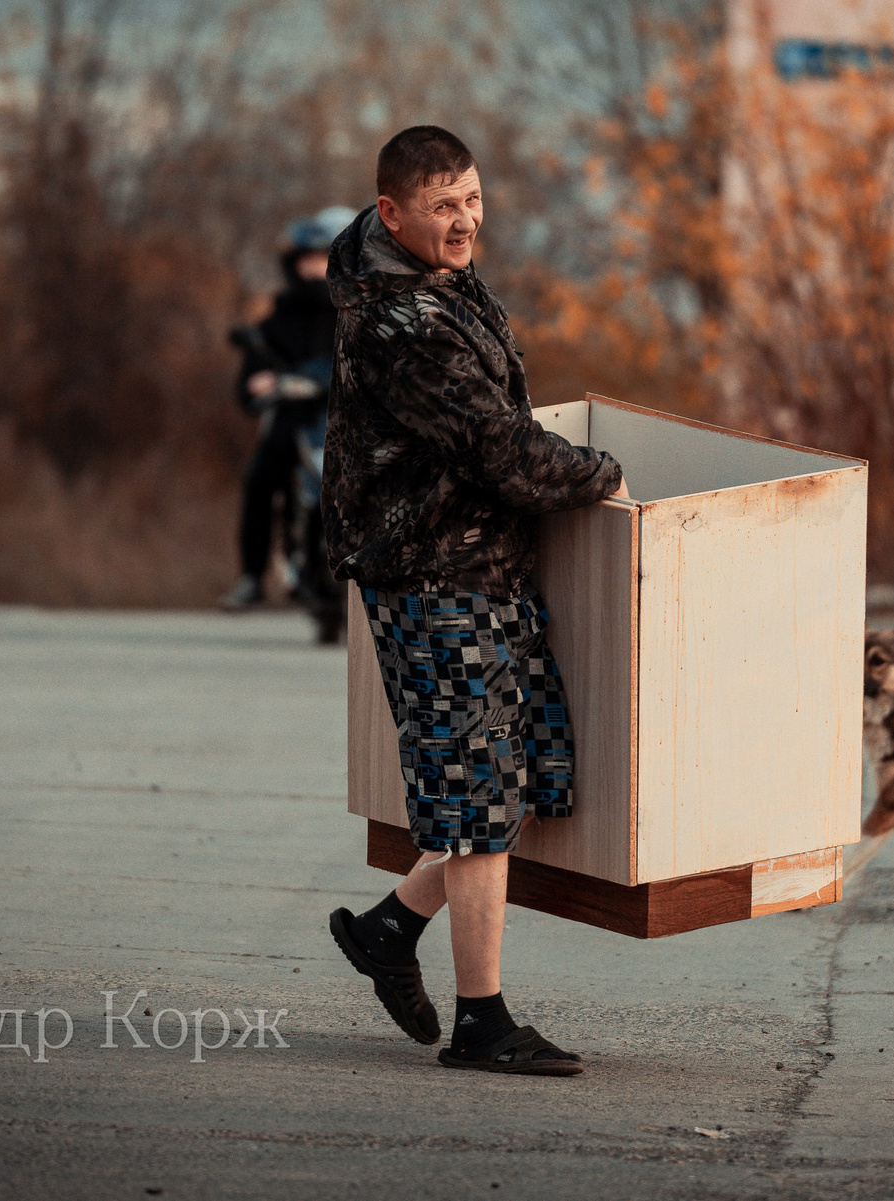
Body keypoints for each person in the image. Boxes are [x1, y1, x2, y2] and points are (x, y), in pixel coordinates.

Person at [322, 126, 624, 1076]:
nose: (464, 221)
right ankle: (483, 1022)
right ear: (392, 213)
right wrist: (603, 473)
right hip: (435, 581)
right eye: (443, 206)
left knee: (511, 780)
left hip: (486, 571)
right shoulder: (400, 323)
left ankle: (388, 928)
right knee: (478, 803)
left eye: (473, 199)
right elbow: (500, 449)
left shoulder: (443, 285)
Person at [222, 207, 351, 612]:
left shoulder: (357, 312)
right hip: (292, 423)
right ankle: (252, 577)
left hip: (344, 422)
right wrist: (256, 383)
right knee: (260, 480)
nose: (315, 269)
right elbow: (252, 375)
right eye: (308, 260)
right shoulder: (280, 314)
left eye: (324, 259)